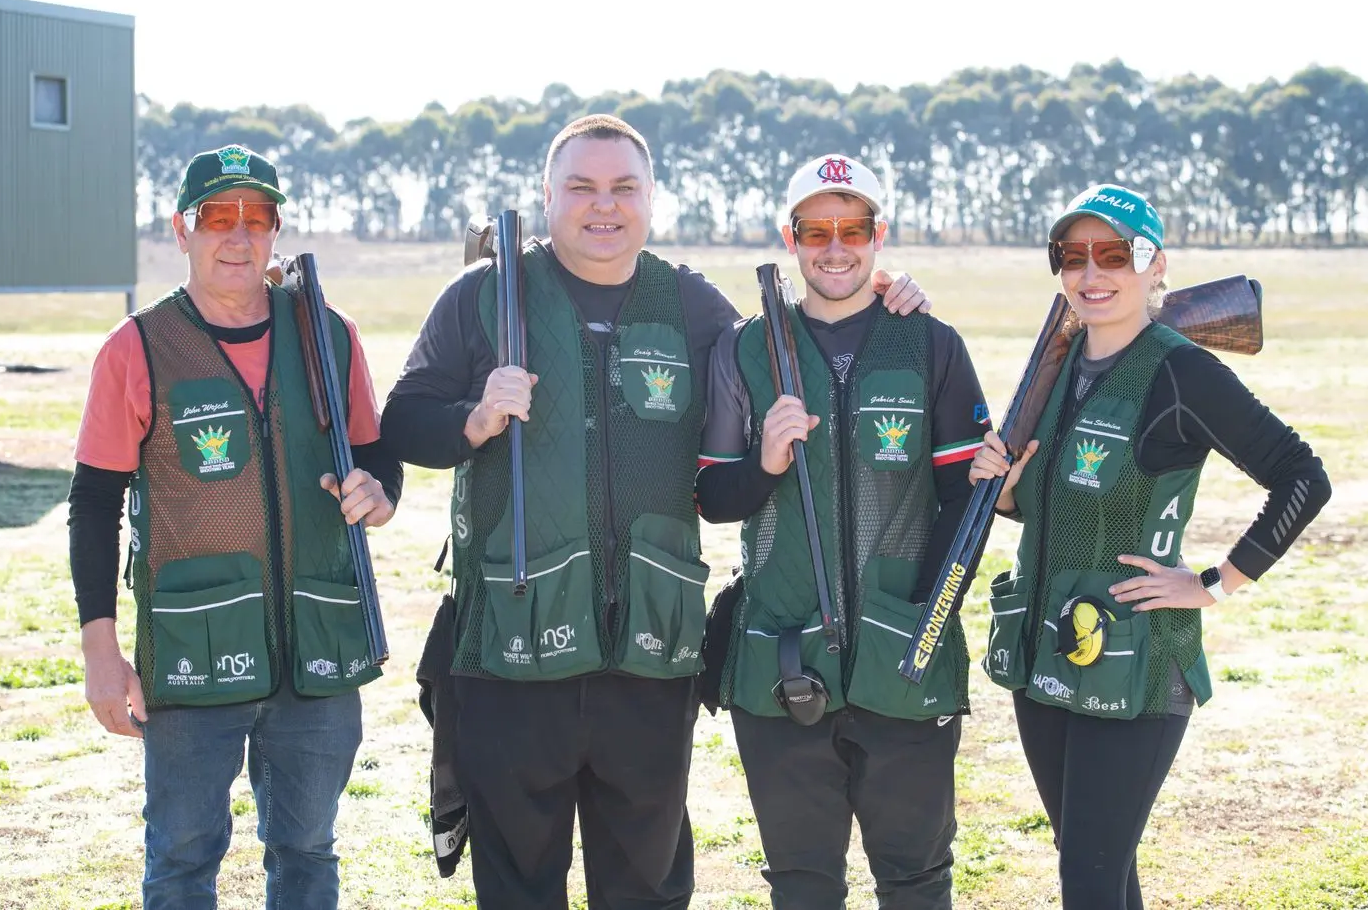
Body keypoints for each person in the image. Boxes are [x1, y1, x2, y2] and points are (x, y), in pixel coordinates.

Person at [381, 117, 929, 908]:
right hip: (509, 647)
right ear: (547, 196)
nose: (603, 206)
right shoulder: (482, 297)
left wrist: (887, 294)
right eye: (581, 187)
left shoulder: (695, 307)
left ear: (650, 199)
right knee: (515, 886)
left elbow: (802, 340)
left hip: (652, 653)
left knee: (645, 888)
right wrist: (473, 419)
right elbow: (402, 423)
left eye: (622, 188)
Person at [968, 183, 1332, 909]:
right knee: (1095, 869)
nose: (1090, 273)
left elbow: (1302, 477)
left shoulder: (1179, 370)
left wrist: (1212, 582)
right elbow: (1060, 506)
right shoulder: (1059, 363)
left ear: (1155, 265)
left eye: (1114, 253)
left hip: (1135, 664)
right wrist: (1006, 488)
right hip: (1047, 653)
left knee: (1089, 882)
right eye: (1072, 256)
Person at [67, 143, 403, 910]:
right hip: (191, 647)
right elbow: (94, 504)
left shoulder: (329, 333)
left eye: (258, 217)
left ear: (277, 231)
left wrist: (378, 494)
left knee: (308, 851)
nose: (238, 235)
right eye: (217, 216)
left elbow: (378, 457)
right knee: (183, 858)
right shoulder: (138, 346)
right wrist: (101, 654)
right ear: (181, 230)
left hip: (317, 643)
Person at [694, 153, 992, 909]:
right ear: (788, 238)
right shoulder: (742, 348)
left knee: (917, 878)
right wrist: (763, 462)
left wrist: (924, 616)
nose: (835, 247)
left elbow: (966, 498)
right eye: (815, 230)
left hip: (906, 660)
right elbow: (712, 496)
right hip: (781, 660)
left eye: (852, 228)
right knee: (801, 883)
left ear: (877, 234)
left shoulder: (929, 343)